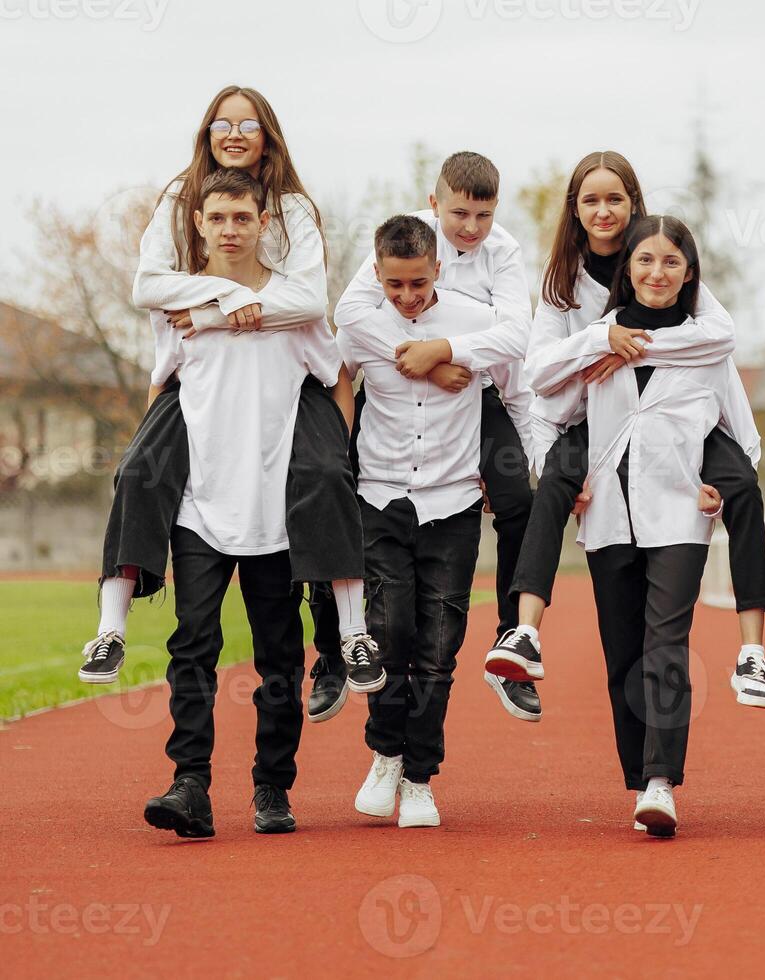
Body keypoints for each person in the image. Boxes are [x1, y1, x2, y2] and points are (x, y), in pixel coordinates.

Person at [83, 85, 376, 707]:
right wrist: (218, 298)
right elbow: (147, 286)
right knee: (140, 469)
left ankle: (347, 637)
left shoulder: (293, 207)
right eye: (223, 123)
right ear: (207, 133)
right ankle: (111, 628)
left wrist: (223, 311)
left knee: (325, 474)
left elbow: (305, 298)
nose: (235, 134)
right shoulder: (178, 196)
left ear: (267, 135)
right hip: (199, 365)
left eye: (249, 124)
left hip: (276, 364)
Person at [503, 151, 765, 721]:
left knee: (744, 486)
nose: (603, 211)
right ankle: (523, 631)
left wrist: (630, 346)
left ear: (633, 204)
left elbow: (717, 338)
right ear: (574, 210)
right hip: (594, 417)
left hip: (682, 417)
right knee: (553, 483)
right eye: (590, 200)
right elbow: (539, 373)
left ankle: (753, 651)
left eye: (615, 199)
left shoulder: (664, 256)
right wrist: (602, 342)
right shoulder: (560, 283)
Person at [528, 215, 757, 837]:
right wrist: (599, 344)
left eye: (672, 263)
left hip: (680, 512)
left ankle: (662, 782)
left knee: (666, 643)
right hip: (609, 513)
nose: (658, 273)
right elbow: (542, 392)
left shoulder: (709, 344)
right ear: (627, 268)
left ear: (690, 274)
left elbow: (743, 433)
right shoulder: (600, 338)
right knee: (622, 654)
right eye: (646, 261)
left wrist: (720, 493)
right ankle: (639, 781)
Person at [141, 169, 343, 838]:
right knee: (192, 642)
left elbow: (336, 378)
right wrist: (149, 483)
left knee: (279, 656)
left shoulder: (295, 307)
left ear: (264, 223)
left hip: (276, 510)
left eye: (242, 217)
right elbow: (159, 400)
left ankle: (271, 788)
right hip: (200, 506)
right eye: (218, 217)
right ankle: (189, 784)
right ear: (198, 224)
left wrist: (335, 466)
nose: (230, 229)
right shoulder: (178, 315)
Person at [314, 150, 536, 722]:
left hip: (473, 392)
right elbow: (356, 312)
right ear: (435, 206)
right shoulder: (407, 238)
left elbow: (515, 335)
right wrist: (422, 360)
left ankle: (512, 639)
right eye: (459, 213)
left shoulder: (503, 252)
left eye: (483, 216)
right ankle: (335, 654)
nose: (470, 228)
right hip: (395, 384)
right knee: (330, 487)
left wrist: (447, 352)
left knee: (519, 502)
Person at [343, 215, 527, 829]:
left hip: (452, 503)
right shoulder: (361, 323)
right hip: (381, 494)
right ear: (377, 276)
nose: (407, 297)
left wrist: (451, 355)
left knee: (438, 647)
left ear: (439, 271)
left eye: (418, 283)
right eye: (394, 285)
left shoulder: (476, 322)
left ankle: (420, 778)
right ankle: (386, 754)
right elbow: (332, 368)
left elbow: (516, 352)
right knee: (388, 633)